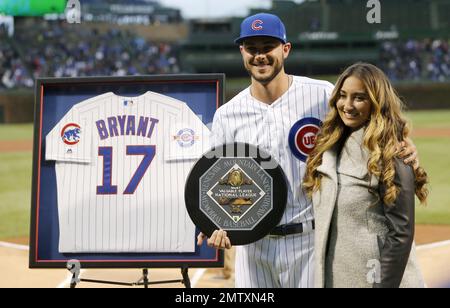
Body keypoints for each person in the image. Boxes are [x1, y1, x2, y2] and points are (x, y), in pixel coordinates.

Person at [197, 13, 419, 288]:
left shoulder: (321, 96)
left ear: (285, 49)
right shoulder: (227, 115)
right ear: (242, 51)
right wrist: (215, 222)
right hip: (253, 248)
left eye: (268, 47)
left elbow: (369, 123)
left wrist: (401, 145)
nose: (260, 56)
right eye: (252, 48)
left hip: (310, 243)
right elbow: (220, 182)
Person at [303, 62, 428, 288]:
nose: (347, 105)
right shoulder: (329, 147)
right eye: (343, 95)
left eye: (359, 98)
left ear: (376, 103)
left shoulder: (394, 155)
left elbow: (400, 235)